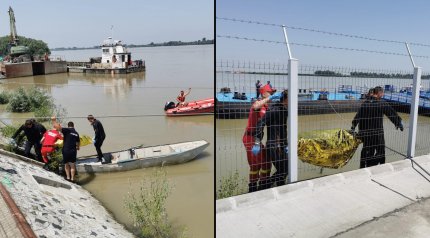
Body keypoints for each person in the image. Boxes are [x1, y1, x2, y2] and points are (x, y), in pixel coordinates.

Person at [351, 86, 404, 168]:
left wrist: (353, 126)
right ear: (379, 93)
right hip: (377, 133)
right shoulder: (382, 103)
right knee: (381, 151)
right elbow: (391, 114)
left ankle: (362, 167)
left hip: (366, 133)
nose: (383, 95)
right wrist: (398, 123)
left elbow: (358, 116)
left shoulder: (365, 103)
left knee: (367, 149)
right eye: (382, 93)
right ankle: (374, 165)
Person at [242, 84, 279, 192]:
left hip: (257, 139)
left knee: (263, 163)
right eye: (270, 92)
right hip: (250, 138)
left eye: (273, 93)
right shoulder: (258, 103)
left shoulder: (267, 107)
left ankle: (260, 186)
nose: (272, 94)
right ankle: (256, 188)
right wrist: (269, 98)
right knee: (259, 164)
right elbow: (255, 107)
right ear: (264, 94)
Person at [253, 90, 289, 189]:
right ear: (286, 99)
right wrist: (257, 142)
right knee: (284, 170)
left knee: (284, 170)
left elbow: (282, 130)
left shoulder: (283, 109)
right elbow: (261, 123)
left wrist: (286, 144)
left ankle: (279, 189)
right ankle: (263, 188)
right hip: (274, 146)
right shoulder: (275, 109)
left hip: (281, 145)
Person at [51, 117, 80, 182]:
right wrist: (78, 147)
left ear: (68, 126)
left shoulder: (67, 130)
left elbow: (57, 127)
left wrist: (54, 120)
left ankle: (68, 178)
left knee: (66, 164)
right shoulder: (76, 133)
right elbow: (78, 143)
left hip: (66, 150)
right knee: (72, 165)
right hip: (73, 151)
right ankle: (72, 179)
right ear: (73, 126)